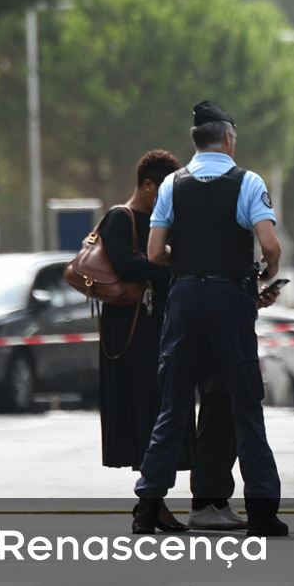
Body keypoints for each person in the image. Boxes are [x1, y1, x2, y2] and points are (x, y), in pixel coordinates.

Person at [133, 100, 287, 538]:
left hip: (183, 297)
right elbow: (270, 245)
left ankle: (147, 505)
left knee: (174, 404)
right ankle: (261, 511)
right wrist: (265, 270)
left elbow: (154, 252)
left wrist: (189, 262)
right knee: (244, 403)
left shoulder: (171, 186)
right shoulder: (247, 182)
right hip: (229, 297)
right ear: (229, 140)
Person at [98, 150, 191, 532]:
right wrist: (164, 258)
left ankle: (151, 501)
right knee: (146, 415)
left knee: (160, 414)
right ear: (149, 185)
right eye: (164, 190)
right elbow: (125, 264)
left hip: (161, 329)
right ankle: (150, 501)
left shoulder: (163, 222)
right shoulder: (120, 219)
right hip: (132, 333)